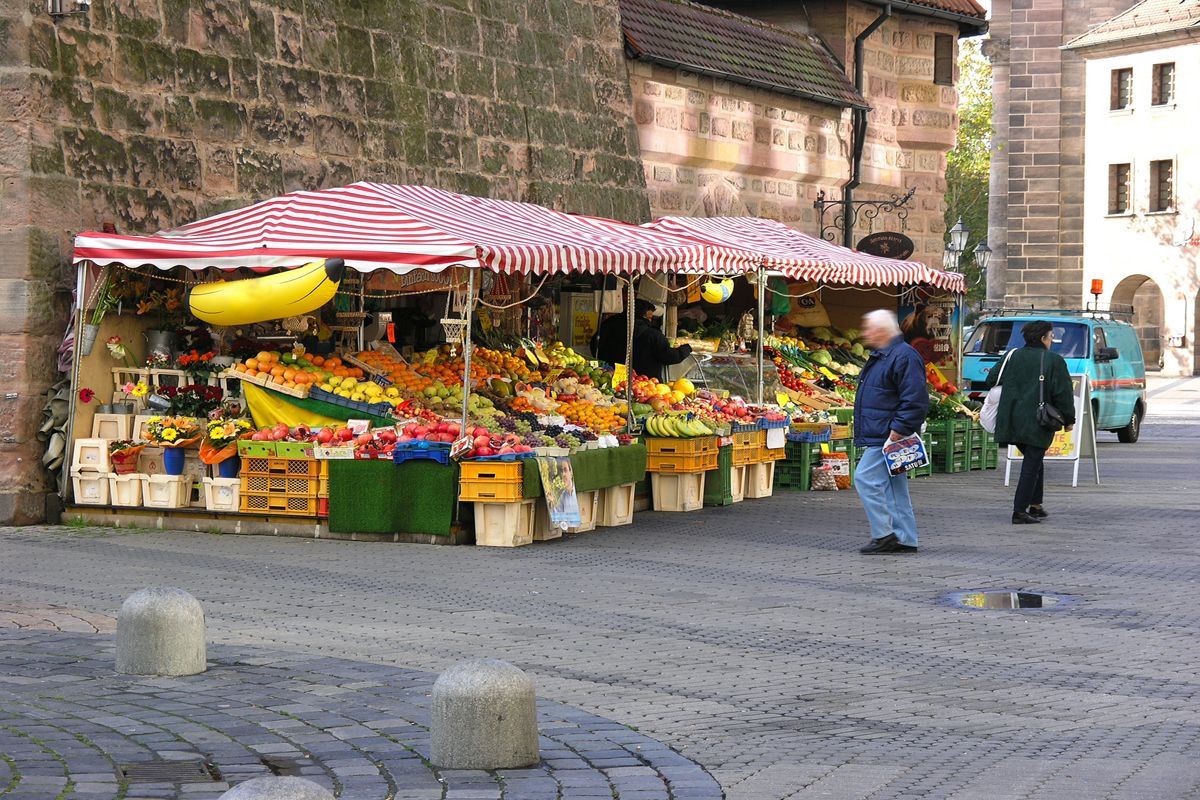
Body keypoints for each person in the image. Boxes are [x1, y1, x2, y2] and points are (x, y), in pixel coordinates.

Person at [853, 310, 930, 554]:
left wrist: (898, 429)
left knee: (864, 478)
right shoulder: (886, 355)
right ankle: (905, 538)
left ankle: (884, 534)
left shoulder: (903, 356)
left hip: (887, 434)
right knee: (896, 487)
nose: (866, 333)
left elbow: (916, 399)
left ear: (882, 331)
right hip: (886, 431)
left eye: (869, 329)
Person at [985, 320, 1076, 524]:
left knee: (1034, 460)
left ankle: (1036, 505)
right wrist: (1069, 419)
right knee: (1031, 463)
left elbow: (991, 379)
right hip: (1037, 421)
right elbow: (1063, 393)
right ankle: (1019, 511)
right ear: (1043, 338)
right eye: (1051, 336)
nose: (1052, 340)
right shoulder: (1053, 360)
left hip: (1010, 419)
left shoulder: (1012, 356)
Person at [630, 298, 692, 380]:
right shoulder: (653, 335)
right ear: (644, 316)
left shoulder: (611, 324)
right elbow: (669, 356)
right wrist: (687, 348)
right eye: (650, 318)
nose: (650, 321)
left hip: (614, 374)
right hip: (645, 381)